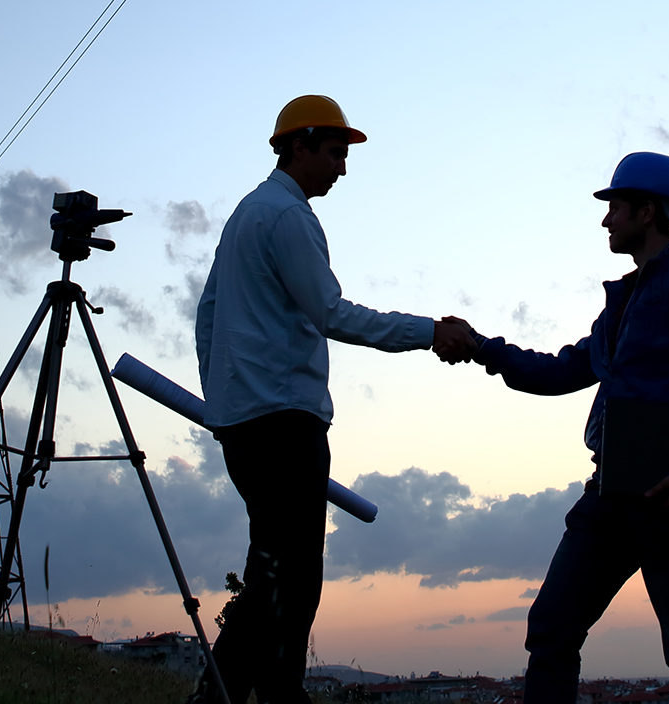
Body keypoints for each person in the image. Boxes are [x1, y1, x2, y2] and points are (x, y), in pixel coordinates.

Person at [439, 152, 669, 704]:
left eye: (616, 208)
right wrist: (482, 349)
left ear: (648, 211)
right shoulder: (622, 306)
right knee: (553, 628)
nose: (606, 220)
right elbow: (563, 369)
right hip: (611, 495)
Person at [194, 95, 475, 704]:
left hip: (246, 422)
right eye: (335, 153)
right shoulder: (289, 217)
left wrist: (220, 404)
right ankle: (271, 694)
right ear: (300, 145)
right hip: (284, 421)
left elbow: (208, 313)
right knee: (293, 578)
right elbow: (330, 312)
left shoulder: (246, 213)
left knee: (273, 568)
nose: (342, 168)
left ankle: (224, 695)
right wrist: (429, 333)